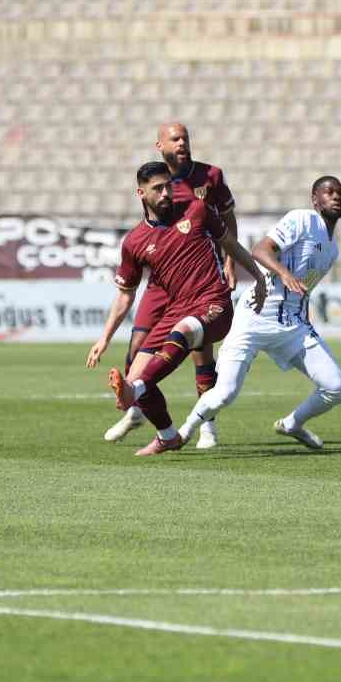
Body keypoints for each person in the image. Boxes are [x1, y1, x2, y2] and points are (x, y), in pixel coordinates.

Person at [86, 161, 268, 458]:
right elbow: (124, 295)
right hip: (177, 309)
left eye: (168, 185)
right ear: (141, 193)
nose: (166, 193)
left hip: (214, 302)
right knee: (134, 369)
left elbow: (230, 244)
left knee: (176, 338)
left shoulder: (197, 210)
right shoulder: (134, 242)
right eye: (158, 188)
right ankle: (167, 435)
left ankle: (137, 392)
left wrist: (258, 276)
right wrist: (104, 337)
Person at [177, 176, 341, 450]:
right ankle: (184, 431)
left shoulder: (332, 248)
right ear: (315, 200)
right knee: (225, 393)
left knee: (337, 388)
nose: (336, 197)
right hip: (255, 317)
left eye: (340, 193)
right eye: (329, 192)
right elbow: (260, 249)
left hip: (292, 326)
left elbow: (303, 290)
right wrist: (285, 274)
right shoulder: (302, 219)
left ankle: (292, 424)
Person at [103, 122, 237, 449]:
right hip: (161, 281)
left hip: (197, 276)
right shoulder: (156, 182)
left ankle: (207, 426)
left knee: (200, 349)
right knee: (137, 348)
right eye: (175, 139)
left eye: (185, 138)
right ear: (159, 145)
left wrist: (230, 262)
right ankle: (137, 408)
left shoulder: (210, 177)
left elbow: (228, 219)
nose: (182, 143)